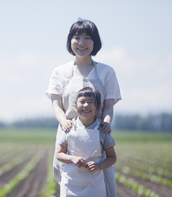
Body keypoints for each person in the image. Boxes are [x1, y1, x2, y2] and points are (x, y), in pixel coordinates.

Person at [45, 18, 121, 196]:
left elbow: (109, 105)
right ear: (70, 41)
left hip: (97, 132)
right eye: (76, 37)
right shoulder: (60, 72)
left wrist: (107, 122)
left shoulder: (106, 72)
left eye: (87, 38)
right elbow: (56, 105)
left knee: (103, 183)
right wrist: (65, 122)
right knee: (69, 183)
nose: (81, 43)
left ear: (95, 42)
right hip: (69, 132)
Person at [56, 87, 116, 197]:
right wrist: (72, 158)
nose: (86, 105)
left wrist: (99, 166)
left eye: (90, 102)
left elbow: (112, 157)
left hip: (94, 185)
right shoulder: (69, 128)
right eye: (82, 102)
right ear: (75, 107)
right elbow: (59, 154)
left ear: (98, 109)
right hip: (71, 183)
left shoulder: (103, 130)